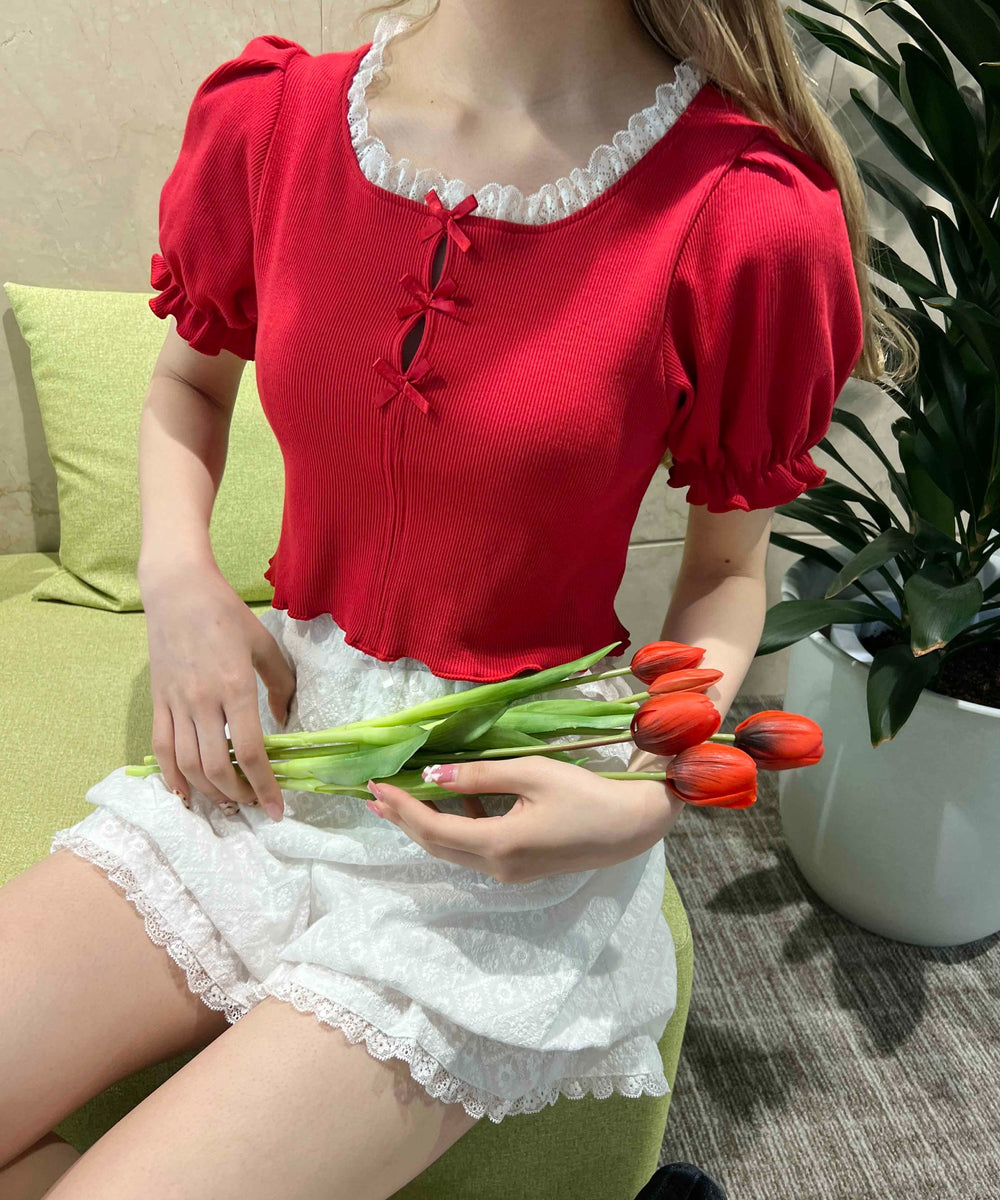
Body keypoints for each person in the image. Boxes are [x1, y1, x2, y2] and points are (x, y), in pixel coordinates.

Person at [0, 1, 910, 1196]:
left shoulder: (746, 216)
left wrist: (644, 792)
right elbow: (190, 387)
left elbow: (726, 574)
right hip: (270, 753)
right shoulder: (273, 122)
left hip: (495, 837)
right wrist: (178, 583)